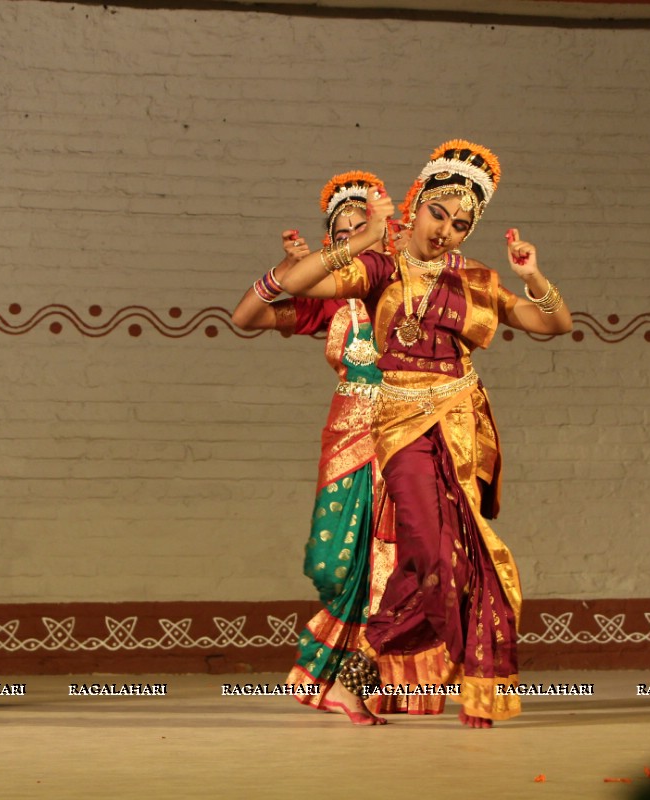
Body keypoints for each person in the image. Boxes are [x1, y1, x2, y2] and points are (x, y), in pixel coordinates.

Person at [274, 140, 573, 728]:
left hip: (460, 425)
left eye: (461, 225)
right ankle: (373, 668)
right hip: (400, 427)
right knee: (433, 554)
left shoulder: (476, 280)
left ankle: (449, 681)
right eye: (439, 215)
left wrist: (533, 275)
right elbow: (300, 283)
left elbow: (552, 323)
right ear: (414, 208)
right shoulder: (381, 269)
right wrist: (363, 237)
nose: (446, 232)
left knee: (461, 559)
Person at [232, 172, 439, 725]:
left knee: (396, 561)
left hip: (404, 434)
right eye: (345, 233)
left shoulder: (407, 293)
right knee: (339, 563)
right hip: (348, 439)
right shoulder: (331, 306)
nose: (359, 237)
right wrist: (288, 271)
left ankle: (366, 681)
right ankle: (342, 674)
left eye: (369, 228)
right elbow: (245, 317)